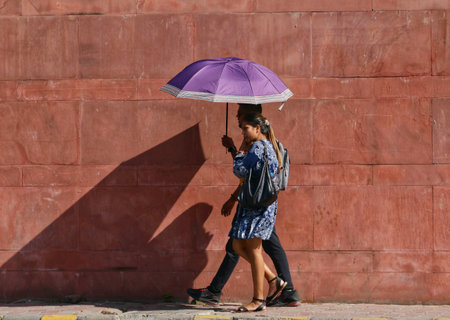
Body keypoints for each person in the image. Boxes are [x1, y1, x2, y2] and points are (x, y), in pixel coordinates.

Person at [187, 104, 300, 308]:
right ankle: (276, 281)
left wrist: (237, 151)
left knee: (255, 249)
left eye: (245, 127)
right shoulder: (269, 145)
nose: (243, 131)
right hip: (262, 205)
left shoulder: (257, 146)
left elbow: (240, 171)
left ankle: (258, 300)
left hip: (257, 208)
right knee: (238, 245)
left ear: (257, 127)